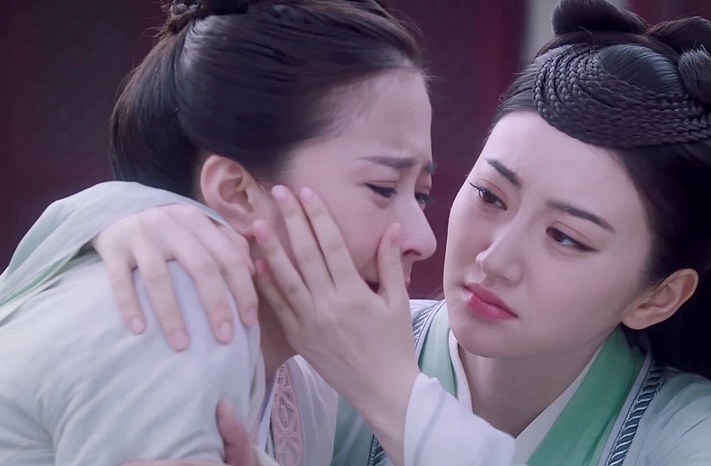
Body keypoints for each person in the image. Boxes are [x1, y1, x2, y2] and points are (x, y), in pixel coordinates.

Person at [12, 0, 711, 464]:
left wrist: (389, 391)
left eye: (566, 237)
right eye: (488, 195)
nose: (494, 256)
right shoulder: (313, 342)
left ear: (658, 295)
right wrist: (134, 211)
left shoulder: (696, 442)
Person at [0, 0, 440, 464]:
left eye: (422, 195)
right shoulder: (168, 307)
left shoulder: (302, 385)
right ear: (237, 193)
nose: (424, 241)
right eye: (383, 187)